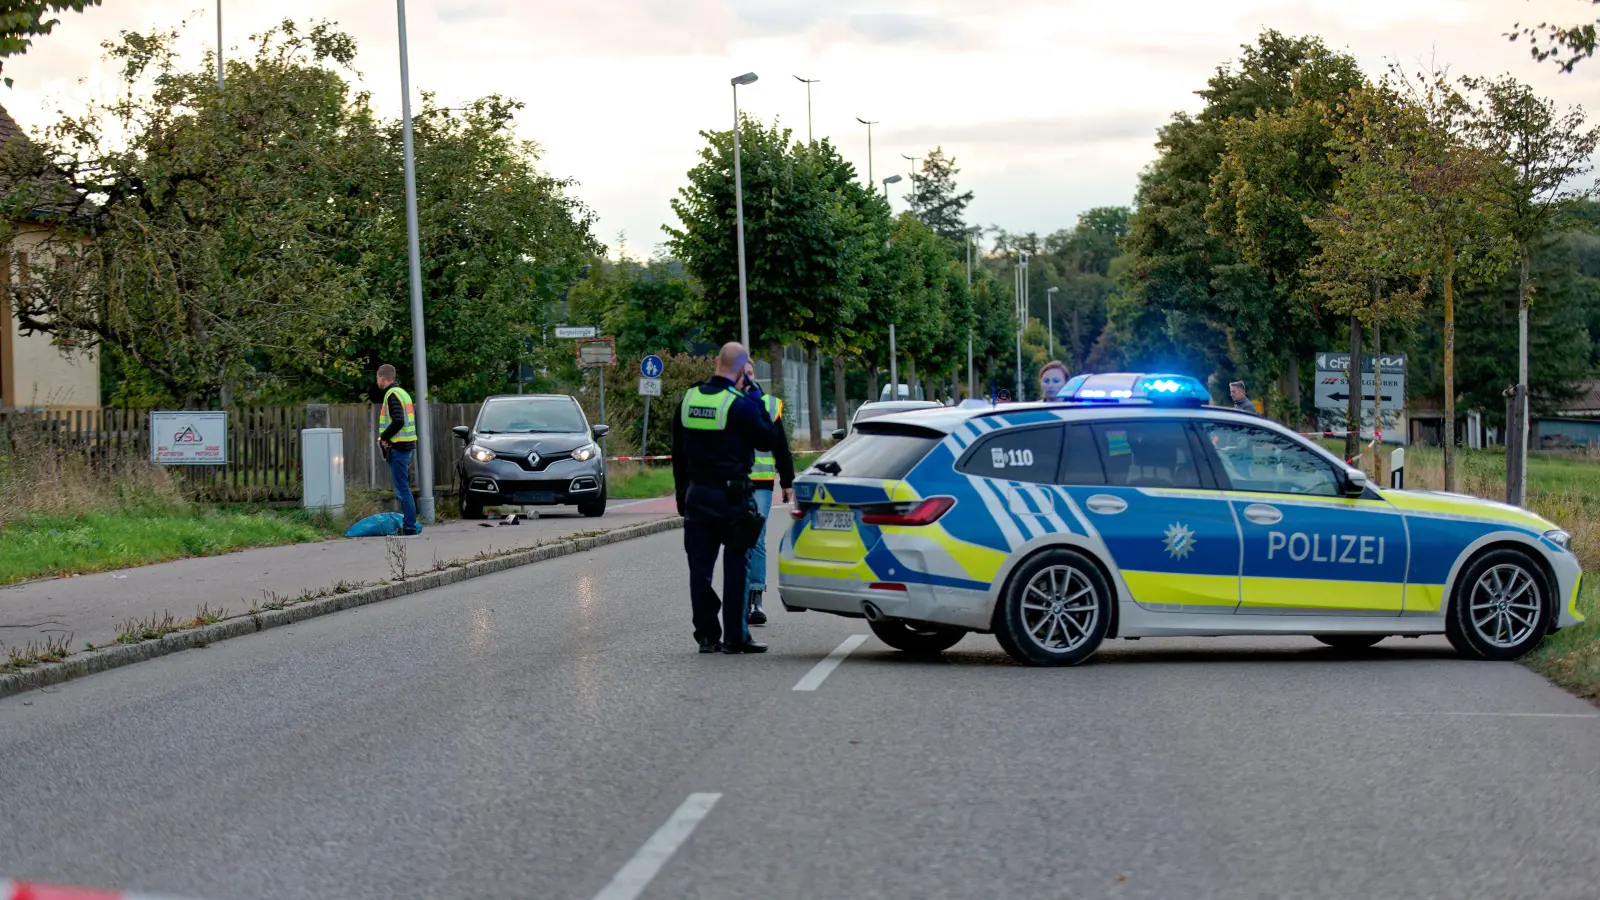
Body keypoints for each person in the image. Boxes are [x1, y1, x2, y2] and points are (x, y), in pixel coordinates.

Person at [671, 342, 777, 654]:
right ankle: (735, 637)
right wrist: (755, 395)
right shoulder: (740, 404)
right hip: (733, 497)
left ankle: (706, 635)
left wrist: (681, 493)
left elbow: (678, 453)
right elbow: (767, 439)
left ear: (716, 361)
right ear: (744, 369)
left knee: (699, 570)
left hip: (697, 494)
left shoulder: (688, 400)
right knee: (736, 567)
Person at [745, 388, 795, 626]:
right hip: (732, 483)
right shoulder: (727, 401)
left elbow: (780, 444)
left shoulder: (769, 405)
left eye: (750, 371)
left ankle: (756, 597)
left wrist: (787, 481)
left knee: (756, 537)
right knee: (737, 540)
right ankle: (740, 594)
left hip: (762, 484)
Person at [376, 364, 421, 536]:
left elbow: (398, 421)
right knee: (403, 487)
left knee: (402, 489)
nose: (377, 382)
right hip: (405, 444)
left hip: (399, 446)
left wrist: (385, 437)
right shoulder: (403, 393)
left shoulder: (392, 394)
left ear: (382, 377)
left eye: (377, 378)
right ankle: (409, 524)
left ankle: (409, 526)